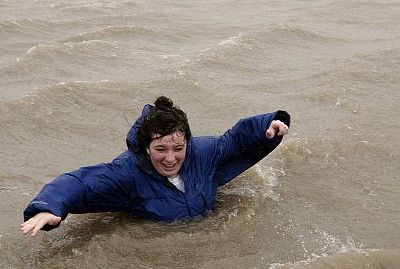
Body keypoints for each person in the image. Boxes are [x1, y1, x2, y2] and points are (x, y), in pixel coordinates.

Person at [21, 96, 290, 237]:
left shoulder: (203, 152)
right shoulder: (127, 173)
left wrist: (269, 125)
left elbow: (236, 139)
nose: (170, 158)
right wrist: (48, 208)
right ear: (146, 148)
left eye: (178, 148)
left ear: (188, 142)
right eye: (160, 150)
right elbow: (79, 183)